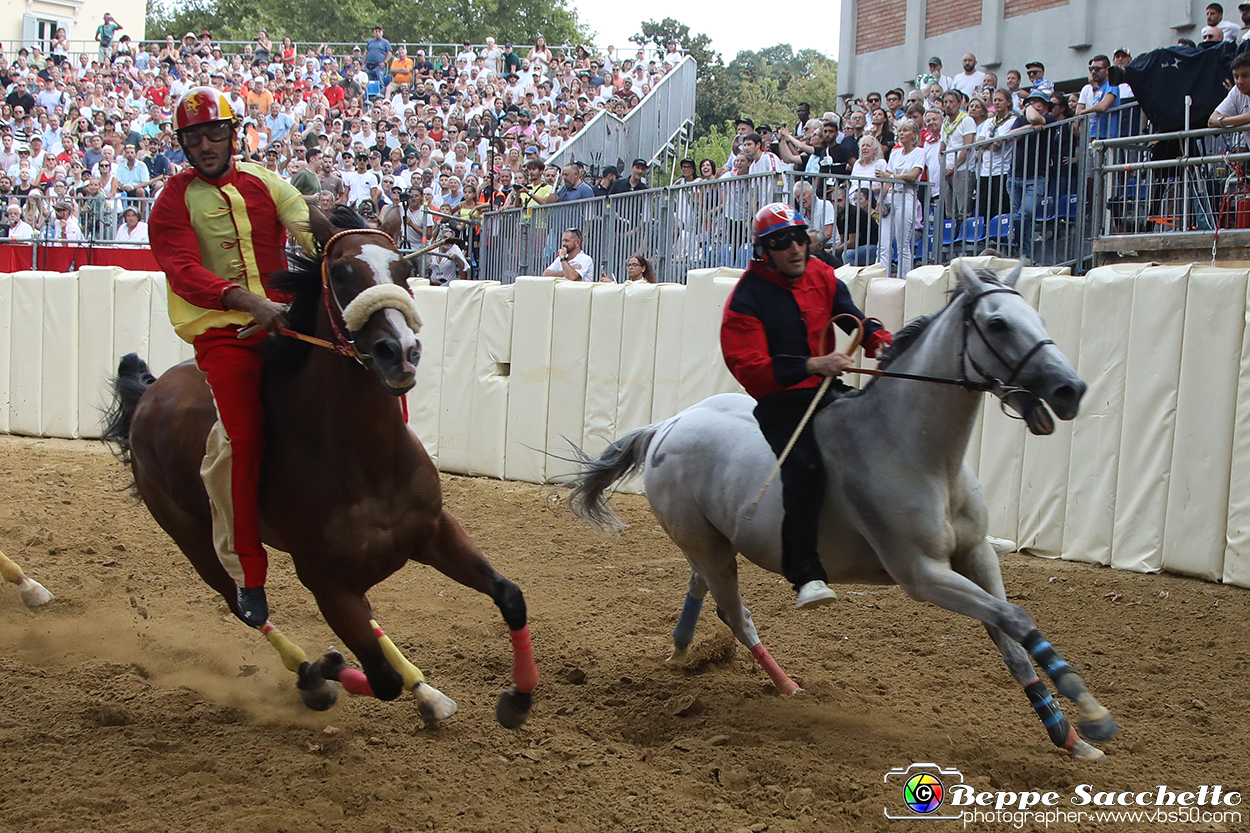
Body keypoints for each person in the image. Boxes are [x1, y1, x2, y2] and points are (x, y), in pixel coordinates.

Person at [149, 86, 315, 628]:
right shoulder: (172, 200)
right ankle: (249, 571)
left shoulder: (268, 182)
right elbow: (183, 271)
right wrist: (247, 302)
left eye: (213, 133)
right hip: (225, 337)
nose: (204, 144)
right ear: (183, 145)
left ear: (233, 134)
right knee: (242, 438)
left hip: (287, 321)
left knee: (362, 367)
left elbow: (311, 231)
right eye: (193, 137)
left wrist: (358, 250)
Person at [720, 203, 891, 609]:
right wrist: (814, 363)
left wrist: (878, 339)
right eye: (782, 242)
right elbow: (749, 366)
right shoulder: (745, 298)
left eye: (800, 237)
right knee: (805, 468)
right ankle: (806, 574)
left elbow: (850, 316)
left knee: (889, 433)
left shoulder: (821, 273)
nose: (796, 248)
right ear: (764, 250)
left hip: (826, 386)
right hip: (781, 400)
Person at [877, 119, 926, 277]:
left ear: (914, 135)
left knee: (903, 243)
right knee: (883, 243)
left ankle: (903, 278)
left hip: (907, 197)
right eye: (900, 131)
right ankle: (881, 277)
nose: (901, 134)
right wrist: (880, 200)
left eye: (905, 130)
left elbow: (913, 175)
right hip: (891, 197)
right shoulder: (895, 153)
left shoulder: (919, 152)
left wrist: (890, 176)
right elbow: (887, 181)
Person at [1210, 51, 1250, 128]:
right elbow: (1212, 121)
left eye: (1245, 75)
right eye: (1236, 77)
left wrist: (1222, 121)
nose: (1240, 81)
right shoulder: (1236, 91)